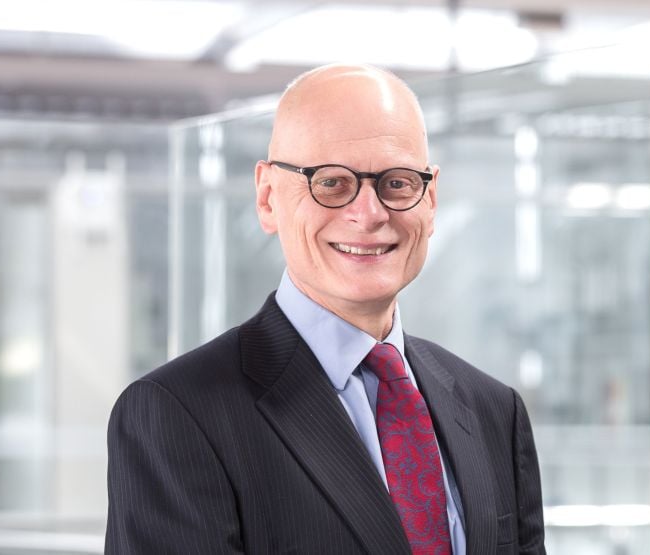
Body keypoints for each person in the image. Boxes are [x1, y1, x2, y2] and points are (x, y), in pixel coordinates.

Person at [105, 63, 545, 555]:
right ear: (269, 198)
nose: (370, 213)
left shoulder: (493, 411)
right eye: (331, 183)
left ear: (431, 199)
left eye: (397, 183)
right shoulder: (178, 414)